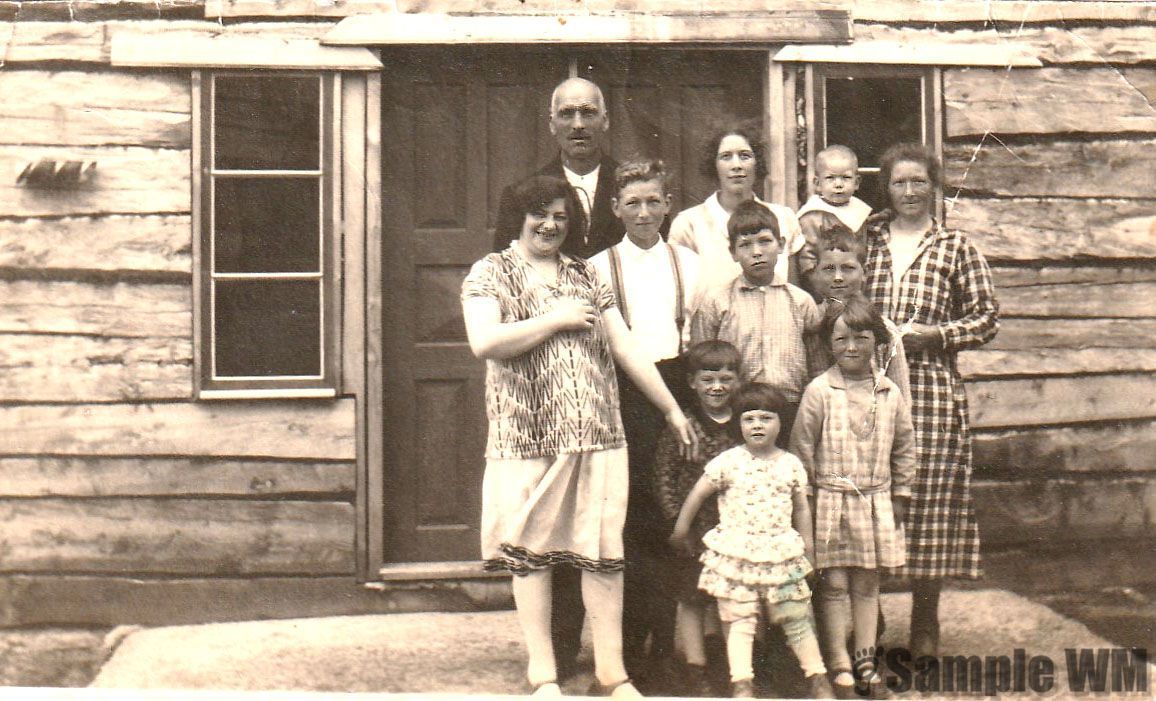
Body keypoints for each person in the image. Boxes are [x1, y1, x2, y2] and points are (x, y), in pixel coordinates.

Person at [462, 174, 696, 698]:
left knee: (602, 551)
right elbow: (485, 342)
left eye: (561, 217)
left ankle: (613, 673)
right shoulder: (492, 271)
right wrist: (555, 318)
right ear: (517, 217)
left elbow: (627, 348)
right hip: (527, 436)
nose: (549, 225)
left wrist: (673, 408)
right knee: (532, 553)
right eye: (539, 214)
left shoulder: (586, 275)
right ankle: (543, 672)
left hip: (596, 432)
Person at [862, 143, 999, 660]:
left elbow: (986, 317)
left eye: (919, 182)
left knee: (929, 496)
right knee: (870, 493)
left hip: (931, 390)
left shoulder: (954, 246)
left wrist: (937, 335)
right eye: (900, 182)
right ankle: (867, 618)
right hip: (870, 386)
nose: (910, 192)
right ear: (887, 188)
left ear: (934, 186)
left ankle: (924, 619)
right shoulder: (868, 238)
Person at [589, 159, 700, 687]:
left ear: (667, 204)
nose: (644, 212)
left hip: (678, 392)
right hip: (621, 397)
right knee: (627, 522)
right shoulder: (596, 267)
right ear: (614, 208)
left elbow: (702, 337)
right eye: (632, 202)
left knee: (671, 517)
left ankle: (666, 650)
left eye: (654, 200)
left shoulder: (691, 265)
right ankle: (625, 653)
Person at [669, 383, 834, 699]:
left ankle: (817, 677)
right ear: (739, 424)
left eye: (766, 418)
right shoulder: (728, 461)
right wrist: (681, 529)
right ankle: (741, 683)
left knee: (795, 617)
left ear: (780, 422)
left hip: (781, 554)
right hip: (738, 554)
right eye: (749, 419)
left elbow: (801, 508)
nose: (757, 425)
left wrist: (808, 550)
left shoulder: (790, 464)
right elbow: (697, 494)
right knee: (740, 620)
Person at [790, 295, 917, 698]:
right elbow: (801, 452)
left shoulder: (889, 392)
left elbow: (904, 446)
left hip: (874, 502)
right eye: (842, 338)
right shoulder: (819, 391)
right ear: (830, 342)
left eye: (861, 338)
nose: (850, 347)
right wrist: (805, 505)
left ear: (877, 342)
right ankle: (839, 664)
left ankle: (865, 659)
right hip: (829, 501)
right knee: (833, 586)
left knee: (867, 585)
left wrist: (901, 493)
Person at [651, 340, 743, 697]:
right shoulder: (683, 426)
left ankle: (729, 663)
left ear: (738, 380)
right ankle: (695, 667)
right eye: (708, 379)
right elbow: (663, 476)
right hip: (693, 530)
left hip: (734, 529)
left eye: (725, 378)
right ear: (692, 382)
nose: (716, 387)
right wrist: (678, 523)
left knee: (730, 595)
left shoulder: (742, 424)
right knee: (691, 597)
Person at [689, 200, 821, 445]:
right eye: (745, 245)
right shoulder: (717, 302)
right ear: (733, 253)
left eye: (764, 241)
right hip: (737, 412)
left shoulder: (801, 301)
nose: (756, 251)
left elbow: (817, 366)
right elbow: (701, 362)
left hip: (790, 409)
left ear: (781, 245)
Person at [493, 77, 625, 259]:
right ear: (552, 124)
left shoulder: (631, 186)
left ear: (605, 120)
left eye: (588, 113)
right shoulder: (518, 195)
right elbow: (505, 268)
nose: (578, 124)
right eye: (567, 113)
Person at [669, 122, 804, 295]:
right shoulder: (689, 224)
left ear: (757, 162)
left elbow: (793, 292)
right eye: (726, 157)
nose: (736, 165)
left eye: (745, 156)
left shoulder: (784, 218)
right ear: (714, 165)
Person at [807, 225, 911, 402]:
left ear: (865, 272)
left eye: (847, 268)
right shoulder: (809, 324)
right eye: (829, 269)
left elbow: (901, 397)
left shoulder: (885, 329)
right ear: (815, 272)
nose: (838, 277)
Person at [797, 145, 873, 233]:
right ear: (818, 183)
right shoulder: (812, 214)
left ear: (856, 183)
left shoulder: (859, 208)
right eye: (830, 178)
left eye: (846, 177)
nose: (838, 184)